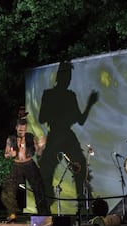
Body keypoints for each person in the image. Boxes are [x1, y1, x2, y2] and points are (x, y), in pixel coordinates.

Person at [38, 61, 99, 206]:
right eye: (66, 76)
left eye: (69, 77)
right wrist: (58, 114)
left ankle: (82, 200)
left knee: (80, 166)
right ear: (60, 77)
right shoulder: (49, 95)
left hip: (65, 134)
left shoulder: (70, 95)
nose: (68, 80)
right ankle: (47, 200)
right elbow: (42, 118)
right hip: (57, 134)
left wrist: (90, 104)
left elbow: (80, 120)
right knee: (47, 169)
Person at [1, 108, 50, 223]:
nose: (22, 131)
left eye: (24, 129)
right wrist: (10, 154)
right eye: (20, 129)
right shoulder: (11, 139)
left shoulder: (30, 137)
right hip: (17, 165)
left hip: (29, 164)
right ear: (16, 128)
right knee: (8, 189)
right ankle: (12, 214)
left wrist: (41, 146)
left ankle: (43, 216)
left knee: (39, 188)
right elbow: (6, 154)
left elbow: (38, 153)